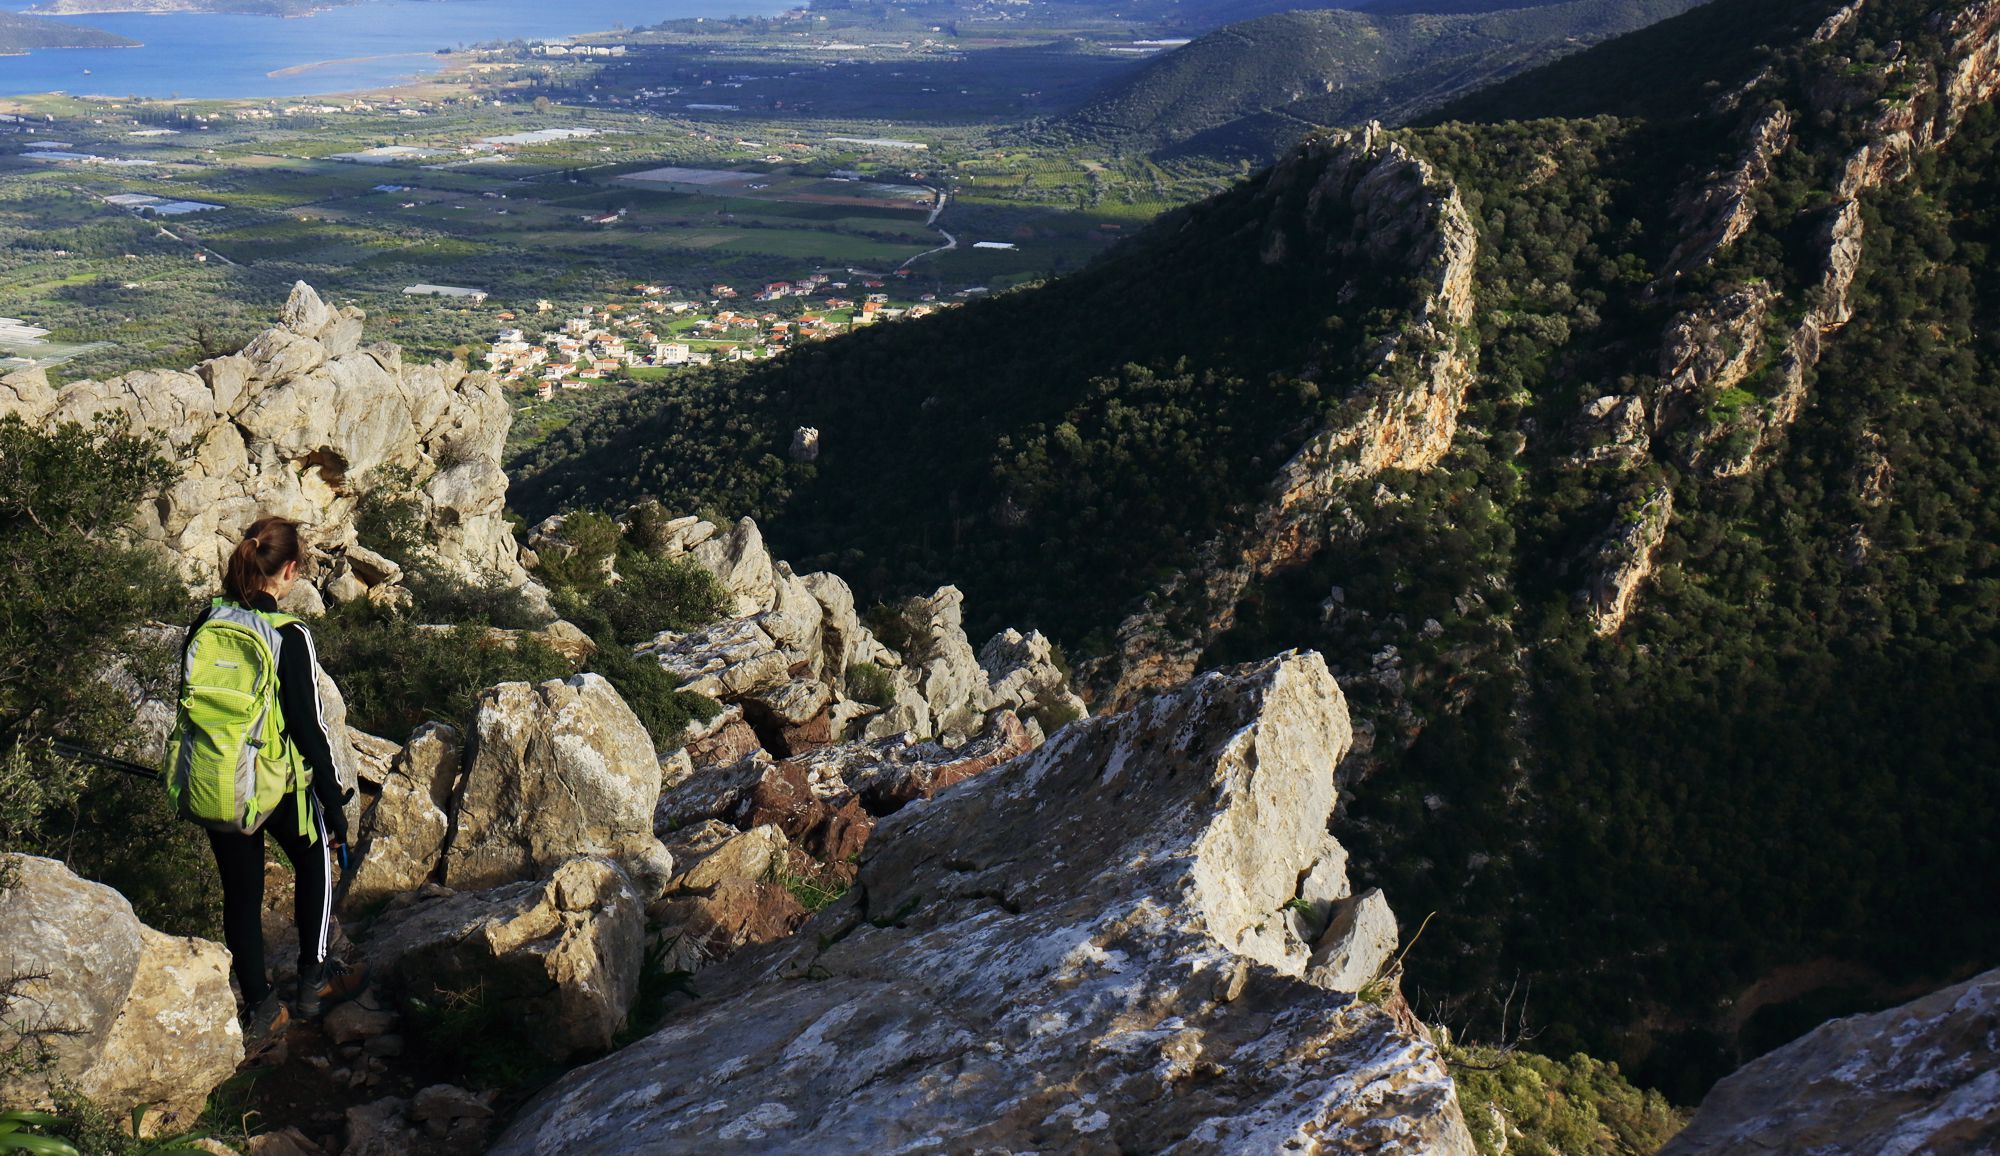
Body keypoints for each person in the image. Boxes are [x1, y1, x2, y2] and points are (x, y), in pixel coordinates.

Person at [189, 517, 365, 1045]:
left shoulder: (207, 620)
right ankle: (314, 982)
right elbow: (309, 727)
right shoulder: (290, 635)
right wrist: (333, 801)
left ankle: (262, 1007)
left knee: (240, 895)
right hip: (276, 785)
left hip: (219, 779)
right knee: (314, 860)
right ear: (288, 571)